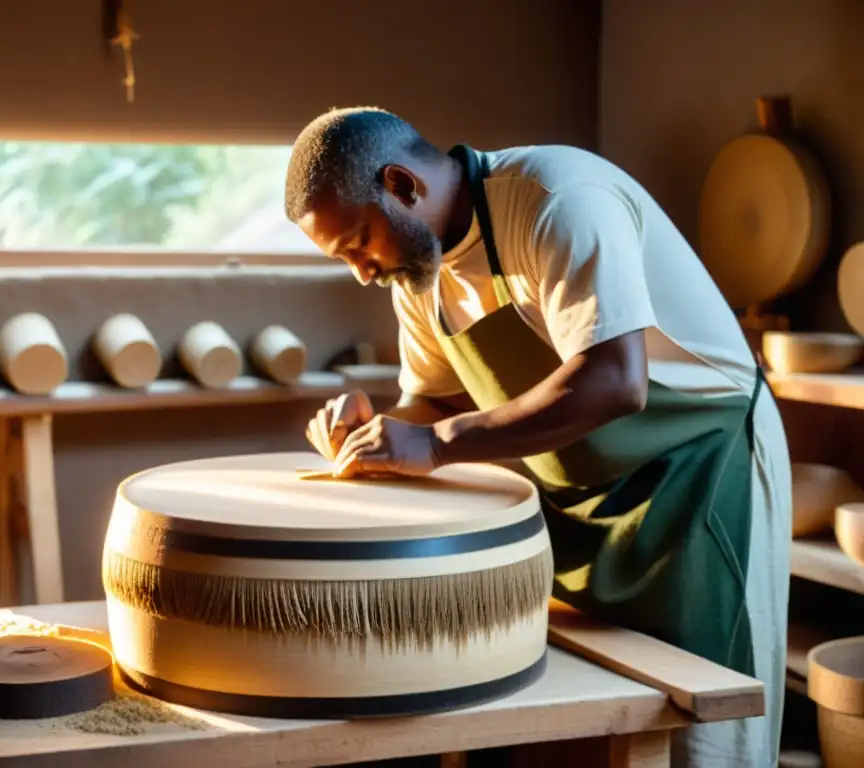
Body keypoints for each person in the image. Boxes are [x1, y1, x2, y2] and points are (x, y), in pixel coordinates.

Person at [285, 107, 792, 767]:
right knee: (597, 725)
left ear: (402, 186)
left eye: (357, 243)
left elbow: (615, 381)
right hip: (585, 499)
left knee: (702, 729)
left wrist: (434, 446)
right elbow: (434, 399)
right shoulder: (418, 270)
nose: (360, 271)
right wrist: (378, 427)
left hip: (702, 477)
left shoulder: (557, 200)